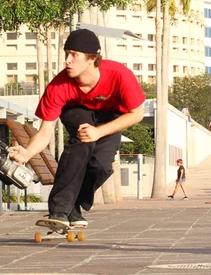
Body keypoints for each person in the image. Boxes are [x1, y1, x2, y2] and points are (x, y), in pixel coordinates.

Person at [8, 29, 145, 228]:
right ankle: (59, 209)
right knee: (82, 145)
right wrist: (27, 153)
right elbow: (45, 131)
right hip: (76, 111)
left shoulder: (119, 75)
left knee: (102, 165)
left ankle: (73, 206)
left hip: (111, 116)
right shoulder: (59, 86)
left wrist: (98, 131)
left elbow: (137, 114)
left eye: (74, 55)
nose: (67, 61)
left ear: (91, 59)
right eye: (66, 54)